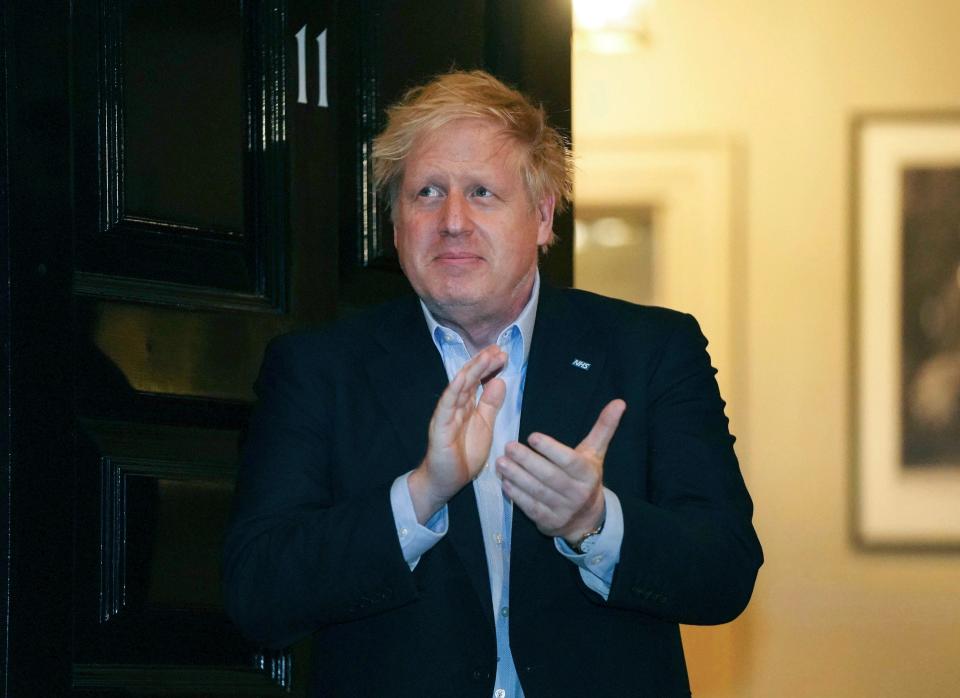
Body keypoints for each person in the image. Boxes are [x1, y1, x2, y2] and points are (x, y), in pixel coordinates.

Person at [223, 70, 762, 698]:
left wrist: (593, 522)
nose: (452, 221)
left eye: (482, 192)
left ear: (541, 216)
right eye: (426, 193)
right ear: (395, 224)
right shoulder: (318, 369)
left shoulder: (651, 351)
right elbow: (257, 593)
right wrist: (420, 496)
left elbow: (725, 571)